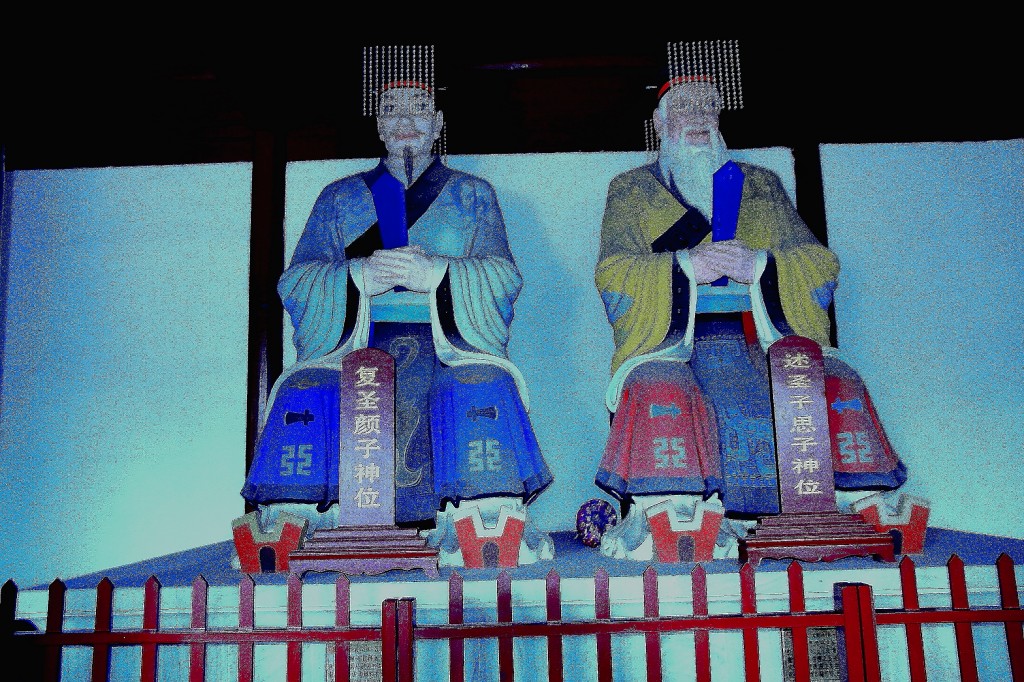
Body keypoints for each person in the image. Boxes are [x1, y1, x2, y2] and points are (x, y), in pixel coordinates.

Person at [241, 59, 553, 565]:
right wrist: (359, 276)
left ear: (438, 121)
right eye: (391, 109)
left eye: (419, 108)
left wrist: (438, 274)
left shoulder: (473, 194)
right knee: (308, 388)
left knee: (477, 384)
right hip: (356, 339)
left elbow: (504, 276)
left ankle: (478, 516)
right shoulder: (339, 198)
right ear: (379, 125)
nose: (405, 119)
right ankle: (300, 517)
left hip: (449, 341)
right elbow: (295, 281)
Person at [594, 74, 906, 558]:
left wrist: (758, 264)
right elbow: (613, 272)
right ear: (658, 122)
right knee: (659, 387)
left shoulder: (760, 185)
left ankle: (857, 503)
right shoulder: (632, 190)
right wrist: (686, 266)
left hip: (760, 335)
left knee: (835, 378)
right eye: (685, 108)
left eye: (709, 107)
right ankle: (676, 510)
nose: (699, 117)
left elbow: (818, 262)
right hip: (675, 342)